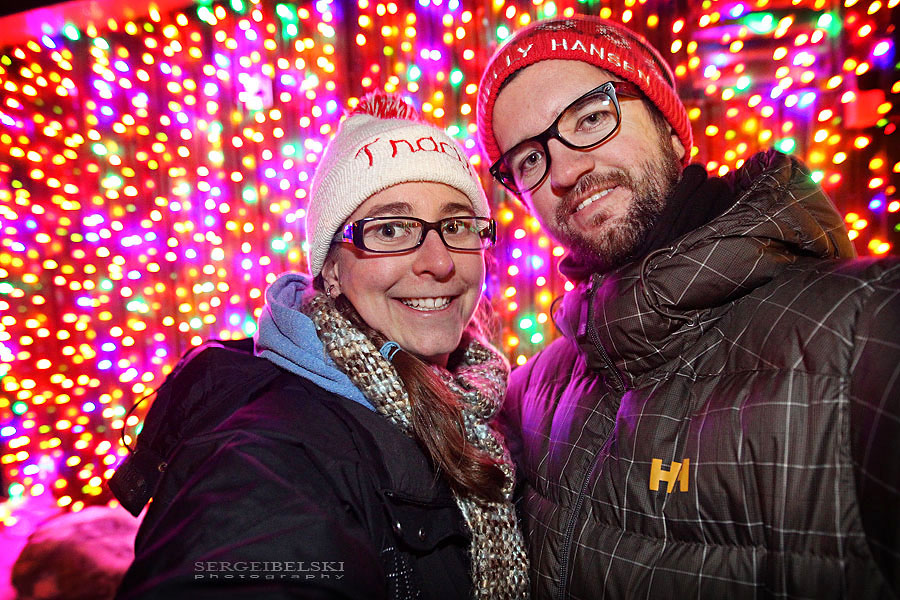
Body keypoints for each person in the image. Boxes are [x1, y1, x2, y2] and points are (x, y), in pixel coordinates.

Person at [476, 15, 900, 599]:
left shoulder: (865, 333)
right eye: (528, 160)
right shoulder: (538, 390)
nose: (567, 171)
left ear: (672, 131)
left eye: (592, 117)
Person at [109, 92, 530, 599]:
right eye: (391, 229)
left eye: (457, 225)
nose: (439, 262)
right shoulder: (274, 452)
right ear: (331, 271)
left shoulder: (484, 405)